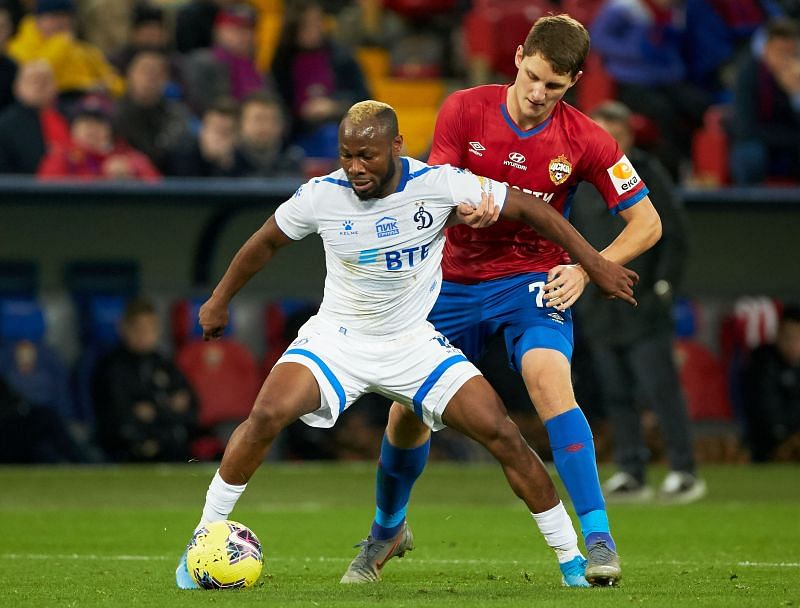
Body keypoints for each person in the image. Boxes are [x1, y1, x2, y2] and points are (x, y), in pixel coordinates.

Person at [175, 100, 640, 590]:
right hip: (337, 340)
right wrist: (219, 299)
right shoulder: (320, 196)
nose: (354, 168)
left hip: (413, 345)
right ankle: (201, 541)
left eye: (367, 156)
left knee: (500, 432)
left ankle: (572, 564)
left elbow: (533, 208)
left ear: (396, 146)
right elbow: (265, 241)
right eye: (346, 155)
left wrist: (594, 263)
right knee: (267, 415)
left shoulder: (438, 185)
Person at [345, 15, 662, 587]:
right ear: (518, 56)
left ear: (575, 83)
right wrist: (457, 206)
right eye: (534, 78)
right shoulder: (464, 108)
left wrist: (589, 269)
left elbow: (648, 222)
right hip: (449, 282)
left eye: (555, 88)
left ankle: (597, 537)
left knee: (549, 381)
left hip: (530, 281)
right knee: (407, 414)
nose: (540, 96)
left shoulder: (588, 139)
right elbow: (432, 186)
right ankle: (387, 528)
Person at [570, 101, 705, 503]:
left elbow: (674, 234)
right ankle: (632, 470)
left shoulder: (645, 171)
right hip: (599, 304)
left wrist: (663, 288)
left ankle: (683, 470)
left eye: (615, 134)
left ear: (627, 137)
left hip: (641, 303)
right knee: (615, 392)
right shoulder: (580, 177)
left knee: (660, 387)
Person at [92, 298, 198, 462]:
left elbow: (191, 406)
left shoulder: (164, 363)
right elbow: (118, 413)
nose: (145, 335)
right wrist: (167, 407)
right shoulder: (111, 366)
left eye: (151, 328)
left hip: (170, 441)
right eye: (139, 329)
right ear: (124, 329)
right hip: (127, 447)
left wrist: (155, 411)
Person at [730, 17, 800, 185]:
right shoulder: (748, 74)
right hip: (757, 142)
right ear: (766, 49)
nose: (786, 60)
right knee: (751, 155)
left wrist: (795, 95)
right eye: (780, 52)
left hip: (787, 144)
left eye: (791, 53)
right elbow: (747, 129)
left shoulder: (796, 79)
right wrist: (790, 138)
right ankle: (748, 207)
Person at [742, 305, 800, 462]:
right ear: (778, 334)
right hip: (768, 446)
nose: (794, 344)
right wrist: (787, 435)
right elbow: (766, 410)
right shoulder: (762, 362)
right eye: (789, 337)